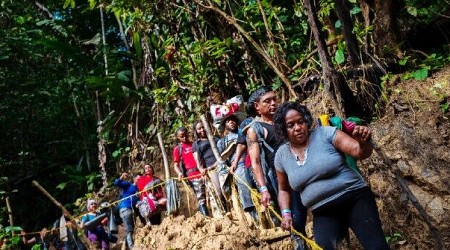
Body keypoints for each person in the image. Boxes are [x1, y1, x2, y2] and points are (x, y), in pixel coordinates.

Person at [273, 102, 390, 250]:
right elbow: (283, 189)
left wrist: (363, 142)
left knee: (376, 247)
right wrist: (286, 213)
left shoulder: (326, 133)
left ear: (306, 121)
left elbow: (359, 152)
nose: (297, 128)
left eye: (300, 122)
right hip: (323, 212)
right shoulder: (281, 156)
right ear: (283, 129)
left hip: (354, 198)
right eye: (290, 125)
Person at [246, 87, 307, 249]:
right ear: (257, 106)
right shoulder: (255, 130)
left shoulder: (285, 121)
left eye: (274, 99)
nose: (273, 103)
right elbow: (256, 161)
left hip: (302, 168)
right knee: (295, 219)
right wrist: (263, 188)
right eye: (267, 101)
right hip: (282, 178)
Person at [216, 113, 257, 221]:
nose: (232, 122)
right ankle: (251, 210)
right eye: (228, 121)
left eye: (233, 120)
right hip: (238, 165)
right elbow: (221, 160)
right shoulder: (222, 141)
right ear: (225, 125)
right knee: (243, 181)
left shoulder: (244, 132)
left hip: (252, 160)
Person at [192, 120, 227, 212]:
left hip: (221, 164)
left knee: (226, 188)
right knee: (218, 190)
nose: (202, 130)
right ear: (195, 131)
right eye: (199, 128)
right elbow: (197, 160)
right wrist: (201, 170)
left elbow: (223, 151)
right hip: (210, 168)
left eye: (203, 127)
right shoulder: (196, 144)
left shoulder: (214, 138)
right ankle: (224, 210)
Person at [172, 126, 208, 216]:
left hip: (204, 172)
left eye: (186, 135)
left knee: (209, 194)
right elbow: (175, 165)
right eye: (181, 136)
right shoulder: (178, 149)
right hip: (192, 176)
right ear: (178, 137)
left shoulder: (195, 144)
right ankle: (206, 217)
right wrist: (179, 173)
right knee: (200, 196)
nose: (184, 137)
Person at [113, 172, 139, 249]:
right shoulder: (128, 185)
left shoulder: (138, 189)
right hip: (125, 209)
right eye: (138, 178)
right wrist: (121, 177)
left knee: (132, 229)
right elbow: (117, 183)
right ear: (134, 179)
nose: (139, 179)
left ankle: (126, 245)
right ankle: (131, 247)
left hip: (132, 210)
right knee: (129, 229)